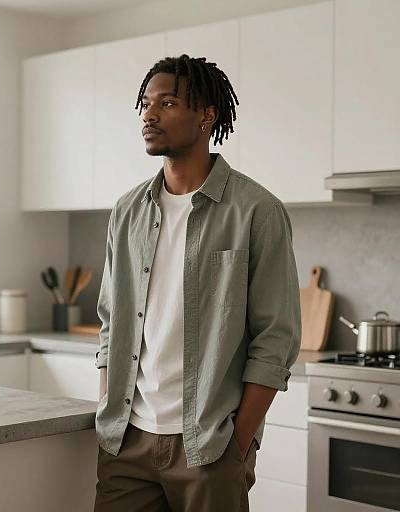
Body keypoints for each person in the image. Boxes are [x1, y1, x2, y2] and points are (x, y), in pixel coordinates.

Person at [93, 54, 301, 512]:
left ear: (207, 116)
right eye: (146, 103)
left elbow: (277, 339)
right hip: (128, 443)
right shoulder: (126, 212)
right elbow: (111, 322)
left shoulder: (257, 211)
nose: (149, 114)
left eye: (166, 103)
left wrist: (236, 444)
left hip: (209, 447)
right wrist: (110, 407)